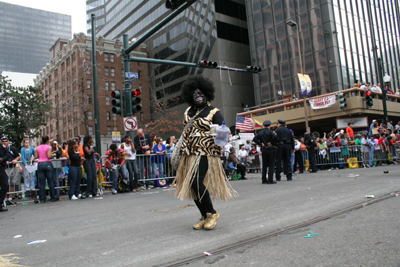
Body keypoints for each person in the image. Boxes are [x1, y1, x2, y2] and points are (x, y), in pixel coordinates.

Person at [173, 75, 236, 230]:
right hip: (188, 153)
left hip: (205, 152)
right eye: (194, 94)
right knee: (191, 185)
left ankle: (213, 213)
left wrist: (217, 134)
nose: (197, 96)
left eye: (200, 93)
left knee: (196, 181)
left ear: (207, 94)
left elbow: (223, 135)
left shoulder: (214, 112)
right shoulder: (188, 112)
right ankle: (204, 215)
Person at [34, 135, 58, 203]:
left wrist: (41, 155)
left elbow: (36, 157)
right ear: (47, 140)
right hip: (47, 163)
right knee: (50, 181)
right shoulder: (49, 147)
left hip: (40, 164)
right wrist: (53, 155)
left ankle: (42, 199)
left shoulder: (38, 147)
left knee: (41, 183)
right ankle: (53, 197)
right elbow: (49, 156)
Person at [2, 136, 21, 204]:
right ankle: (3, 199)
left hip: (12, 167)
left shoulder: (12, 148)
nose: (5, 142)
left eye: (6, 141)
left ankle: (10, 198)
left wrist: (15, 160)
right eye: (3, 141)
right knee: (5, 184)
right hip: (5, 168)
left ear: (8, 141)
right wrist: (4, 161)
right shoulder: (1, 149)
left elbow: (18, 156)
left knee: (12, 183)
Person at [0, 137, 11, 211]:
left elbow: (8, 154)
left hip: (1, 168)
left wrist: (3, 159)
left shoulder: (2, 148)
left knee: (5, 186)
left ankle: (0, 204)